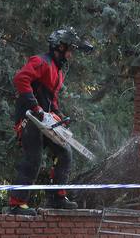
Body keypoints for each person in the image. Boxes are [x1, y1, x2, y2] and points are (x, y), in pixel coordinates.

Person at [8, 27, 94, 215]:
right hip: (29, 118)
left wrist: (58, 115)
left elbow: (51, 99)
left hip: (44, 120)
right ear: (60, 47)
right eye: (69, 50)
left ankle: (57, 197)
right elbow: (21, 79)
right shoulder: (41, 62)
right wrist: (35, 107)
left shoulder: (58, 71)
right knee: (34, 158)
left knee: (65, 152)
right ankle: (16, 203)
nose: (71, 54)